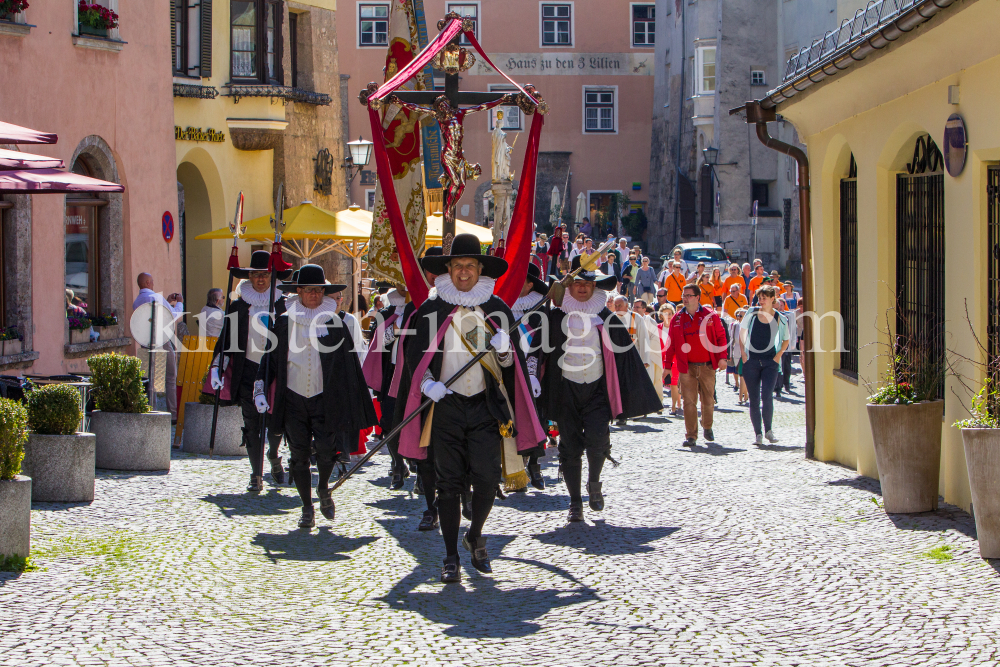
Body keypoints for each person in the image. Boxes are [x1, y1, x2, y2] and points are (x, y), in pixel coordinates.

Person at [395, 234, 544, 583]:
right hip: (444, 406)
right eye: (458, 266)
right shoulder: (431, 310)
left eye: (470, 266)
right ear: (448, 269)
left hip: (485, 407)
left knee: (487, 479)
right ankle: (450, 557)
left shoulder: (496, 310)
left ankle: (475, 533)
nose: (464, 272)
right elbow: (414, 356)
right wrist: (426, 383)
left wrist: (505, 349)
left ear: (481, 270)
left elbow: (511, 366)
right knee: (447, 484)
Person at [254, 264, 378, 528]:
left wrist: (358, 394)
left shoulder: (336, 324)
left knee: (325, 451)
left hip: (325, 397)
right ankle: (306, 507)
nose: (314, 294)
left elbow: (348, 365)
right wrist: (261, 388)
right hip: (293, 398)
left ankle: (323, 488)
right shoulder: (283, 323)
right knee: (298, 455)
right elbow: (269, 360)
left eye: (319, 290)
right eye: (309, 290)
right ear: (298, 291)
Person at [538, 255, 661, 522]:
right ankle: (574, 503)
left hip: (597, 390)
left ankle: (594, 485)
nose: (582, 288)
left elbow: (625, 358)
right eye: (577, 283)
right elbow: (538, 349)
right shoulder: (554, 316)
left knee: (597, 440)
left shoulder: (605, 317)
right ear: (568, 286)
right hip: (565, 390)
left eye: (588, 284)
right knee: (569, 448)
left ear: (595, 288)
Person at [208, 251, 290, 490]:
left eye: (265, 275)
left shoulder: (283, 305)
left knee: (275, 424)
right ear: (250, 277)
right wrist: (217, 367)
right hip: (247, 372)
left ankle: (274, 455)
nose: (261, 279)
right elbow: (226, 340)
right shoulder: (238, 306)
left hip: (275, 373)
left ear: (272, 275)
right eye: (256, 275)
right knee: (252, 424)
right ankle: (256, 475)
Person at [661, 285, 728, 447]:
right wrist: (668, 366)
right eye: (684, 295)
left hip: (707, 366)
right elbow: (671, 345)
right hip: (687, 367)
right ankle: (691, 435)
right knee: (688, 402)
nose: (685, 298)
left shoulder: (710, 316)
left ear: (698, 297)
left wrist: (723, 358)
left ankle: (707, 426)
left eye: (689, 295)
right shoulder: (677, 318)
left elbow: (721, 337)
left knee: (708, 400)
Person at [511, 262, 550, 491]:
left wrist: (533, 372)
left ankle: (534, 465)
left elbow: (542, 342)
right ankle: (514, 469)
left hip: (535, 371)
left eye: (520, 281)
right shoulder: (505, 305)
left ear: (530, 284)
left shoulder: (540, 307)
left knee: (536, 417)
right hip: (509, 367)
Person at [739, 285, 789, 445]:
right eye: (759, 298)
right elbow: (742, 332)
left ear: (772, 299)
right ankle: (758, 434)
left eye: (764, 298)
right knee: (754, 399)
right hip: (752, 361)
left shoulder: (780, 317)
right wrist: (743, 354)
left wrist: (778, 356)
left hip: (770, 362)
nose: (761, 300)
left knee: (767, 396)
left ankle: (768, 431)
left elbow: (786, 339)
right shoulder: (752, 313)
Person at [133, 272, 184, 423]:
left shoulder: (137, 301)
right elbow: (173, 314)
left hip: (145, 340)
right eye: (152, 281)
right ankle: (173, 414)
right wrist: (179, 302)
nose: (153, 284)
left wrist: (167, 301)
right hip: (161, 339)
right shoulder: (156, 297)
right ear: (148, 282)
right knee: (170, 376)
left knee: (150, 377)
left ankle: (151, 408)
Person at [658, 304, 680, 414]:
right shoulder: (658, 328)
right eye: (665, 314)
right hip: (660, 359)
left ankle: (674, 407)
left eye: (670, 313)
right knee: (660, 382)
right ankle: (659, 404)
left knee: (674, 384)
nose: (668, 316)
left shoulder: (676, 327)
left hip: (674, 359)